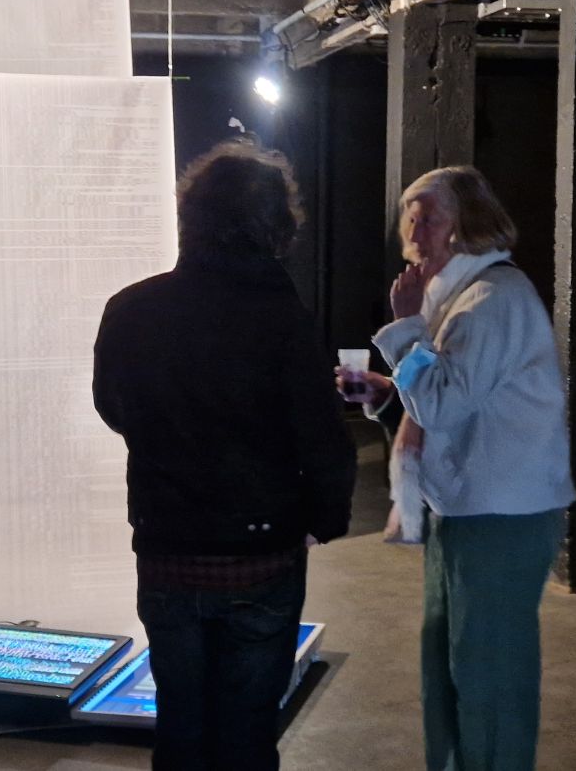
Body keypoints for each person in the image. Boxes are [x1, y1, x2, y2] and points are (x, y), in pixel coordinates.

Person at [92, 138, 357, 771]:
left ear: (190, 217)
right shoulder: (282, 317)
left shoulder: (131, 309)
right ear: (276, 227)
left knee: (181, 725)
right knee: (247, 731)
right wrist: (324, 517)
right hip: (260, 553)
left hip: (168, 545)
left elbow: (113, 408)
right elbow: (321, 435)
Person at [345, 166, 575, 771]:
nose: (415, 229)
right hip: (466, 509)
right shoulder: (457, 297)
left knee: (487, 676)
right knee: (448, 669)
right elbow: (449, 400)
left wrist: (404, 331)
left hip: (501, 516)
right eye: (410, 216)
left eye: (430, 217)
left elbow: (444, 404)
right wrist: (387, 395)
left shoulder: (491, 299)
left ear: (467, 224)